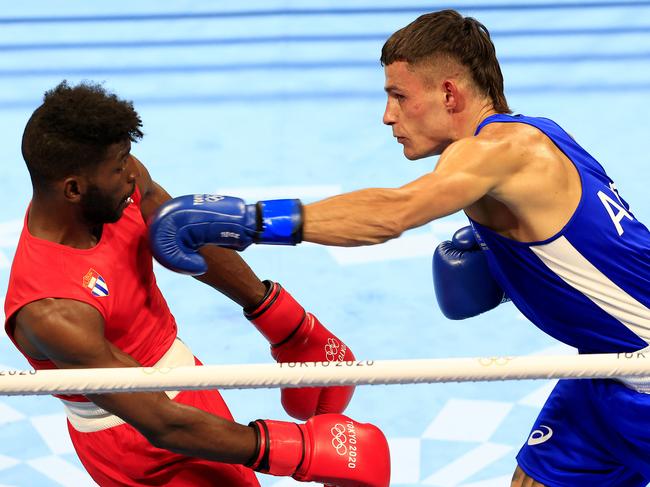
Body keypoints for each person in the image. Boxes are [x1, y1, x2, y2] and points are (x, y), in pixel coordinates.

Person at [149, 9, 650, 487]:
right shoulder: (536, 137)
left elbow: (394, 212)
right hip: (606, 365)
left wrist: (251, 222)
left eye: (398, 95)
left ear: (449, 93)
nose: (388, 116)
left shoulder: (497, 153)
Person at [3, 81, 390, 487]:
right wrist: (295, 449)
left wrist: (286, 324)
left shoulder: (115, 187)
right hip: (137, 440)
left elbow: (180, 231)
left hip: (187, 384)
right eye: (118, 167)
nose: (131, 174)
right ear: (74, 189)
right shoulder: (50, 310)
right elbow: (158, 421)